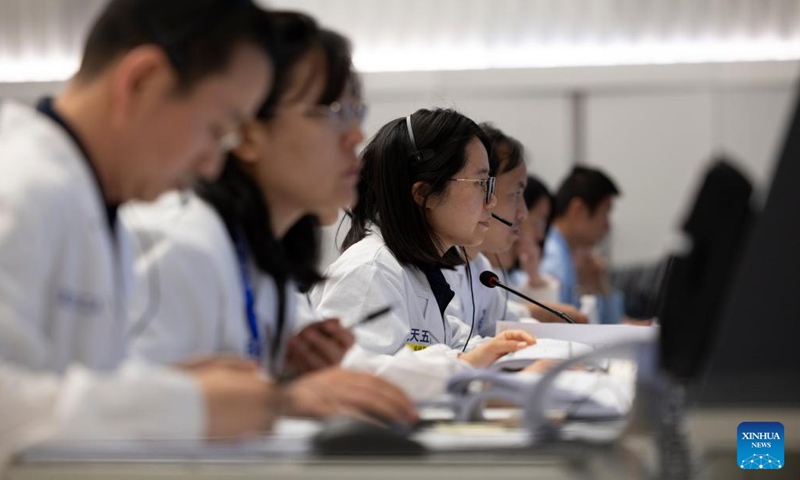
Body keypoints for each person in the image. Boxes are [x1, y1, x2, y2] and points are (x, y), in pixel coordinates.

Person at [0, 0, 281, 454]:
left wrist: (163, 385)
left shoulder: (95, 206)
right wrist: (180, 406)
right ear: (142, 81)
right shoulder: (19, 185)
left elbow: (56, 380)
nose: (212, 167)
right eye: (216, 130)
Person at [124, 22, 416, 424]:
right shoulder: (181, 247)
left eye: (355, 111)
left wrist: (286, 372)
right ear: (246, 130)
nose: (355, 135)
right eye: (331, 112)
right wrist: (281, 397)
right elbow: (128, 428)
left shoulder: (263, 256)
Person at [312, 109, 536, 392]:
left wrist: (505, 354)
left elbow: (459, 347)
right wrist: (468, 365)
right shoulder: (371, 270)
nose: (490, 202)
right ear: (424, 193)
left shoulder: (422, 274)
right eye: (481, 184)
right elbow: (351, 380)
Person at [541, 166, 622, 323]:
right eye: (604, 212)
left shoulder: (566, 253)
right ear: (578, 209)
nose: (608, 225)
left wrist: (599, 286)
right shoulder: (553, 258)